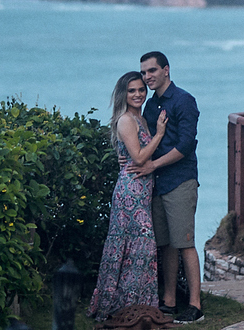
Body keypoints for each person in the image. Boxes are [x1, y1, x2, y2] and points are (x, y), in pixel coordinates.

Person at [87, 71, 168, 322]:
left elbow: (131, 153)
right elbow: (140, 158)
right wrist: (160, 135)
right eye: (132, 90)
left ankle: (137, 306)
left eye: (141, 90)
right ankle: (122, 306)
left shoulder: (140, 118)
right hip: (129, 194)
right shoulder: (126, 120)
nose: (137, 94)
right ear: (124, 93)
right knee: (139, 246)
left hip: (142, 193)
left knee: (138, 249)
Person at [131, 51, 202, 323]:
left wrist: (153, 166)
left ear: (166, 70)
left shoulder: (184, 101)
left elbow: (185, 146)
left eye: (152, 71)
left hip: (180, 180)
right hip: (158, 184)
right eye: (144, 72)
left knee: (185, 243)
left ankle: (195, 305)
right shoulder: (150, 106)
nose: (148, 76)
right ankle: (169, 300)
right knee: (166, 245)